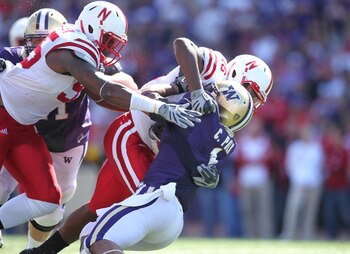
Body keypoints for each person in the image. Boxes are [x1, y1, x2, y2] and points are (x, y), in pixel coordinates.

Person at [22, 38, 273, 253]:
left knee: (97, 209)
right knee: (138, 206)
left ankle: (45, 250)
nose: (249, 101)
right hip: (134, 133)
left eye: (255, 99)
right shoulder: (214, 67)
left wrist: (207, 175)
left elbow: (201, 152)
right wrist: (196, 91)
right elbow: (182, 45)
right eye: (251, 92)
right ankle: (99, 243)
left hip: (155, 151)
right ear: (239, 76)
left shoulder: (228, 115)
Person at [0, 0, 201, 233]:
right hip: (4, 112)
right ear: (93, 29)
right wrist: (158, 107)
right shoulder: (69, 48)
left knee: (48, 199)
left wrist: (149, 107)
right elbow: (104, 89)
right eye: (109, 40)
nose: (111, 48)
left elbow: (100, 96)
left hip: (22, 126)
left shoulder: (80, 43)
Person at [79, 80, 253, 254]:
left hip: (157, 197)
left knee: (97, 238)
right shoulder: (227, 144)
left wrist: (169, 98)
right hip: (173, 221)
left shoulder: (199, 117)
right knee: (87, 234)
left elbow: (148, 99)